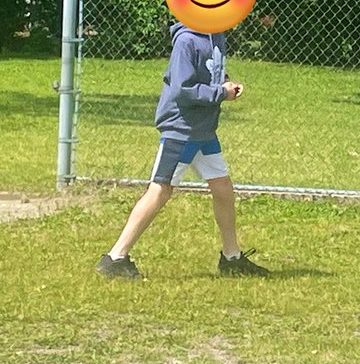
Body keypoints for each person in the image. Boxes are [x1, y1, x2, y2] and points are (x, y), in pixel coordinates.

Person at [95, 22, 269, 280]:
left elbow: (211, 74)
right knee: (160, 190)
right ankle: (115, 258)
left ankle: (232, 258)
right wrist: (220, 93)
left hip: (203, 131)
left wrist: (226, 82)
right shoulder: (186, 41)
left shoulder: (215, 34)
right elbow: (182, 89)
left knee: (222, 188)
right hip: (182, 130)